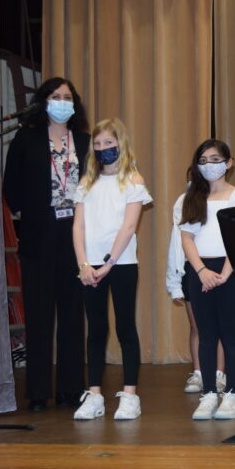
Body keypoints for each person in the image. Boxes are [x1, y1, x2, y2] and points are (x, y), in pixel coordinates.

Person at [3, 77, 90, 412]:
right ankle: (38, 392)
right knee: (39, 316)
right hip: (39, 234)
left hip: (76, 235)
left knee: (72, 314)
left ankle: (71, 390)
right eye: (55, 96)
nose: (62, 101)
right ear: (43, 102)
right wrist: (34, 213)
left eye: (68, 96)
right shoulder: (26, 138)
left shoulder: (83, 141)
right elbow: (11, 187)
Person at [71, 119, 152, 420]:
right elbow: (78, 225)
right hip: (89, 268)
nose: (104, 148)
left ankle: (130, 395)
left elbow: (129, 226)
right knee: (96, 329)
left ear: (121, 144)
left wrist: (108, 264)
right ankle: (94, 395)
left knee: (125, 327)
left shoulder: (132, 180)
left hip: (121, 265)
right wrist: (83, 263)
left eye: (109, 143)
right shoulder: (86, 183)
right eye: (99, 144)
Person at [181, 140, 235, 420]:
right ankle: (209, 392)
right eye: (203, 159)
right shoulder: (193, 196)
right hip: (201, 272)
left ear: (229, 162)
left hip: (229, 270)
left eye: (215, 159)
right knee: (206, 335)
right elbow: (187, 238)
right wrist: (201, 271)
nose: (209, 165)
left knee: (230, 334)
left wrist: (224, 274)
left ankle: (232, 395)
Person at [166, 190, 225, 394]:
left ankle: (219, 374)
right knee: (197, 326)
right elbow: (176, 243)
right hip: (191, 269)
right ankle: (198, 372)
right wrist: (173, 282)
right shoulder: (184, 201)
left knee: (219, 329)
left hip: (217, 266)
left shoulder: (225, 200)